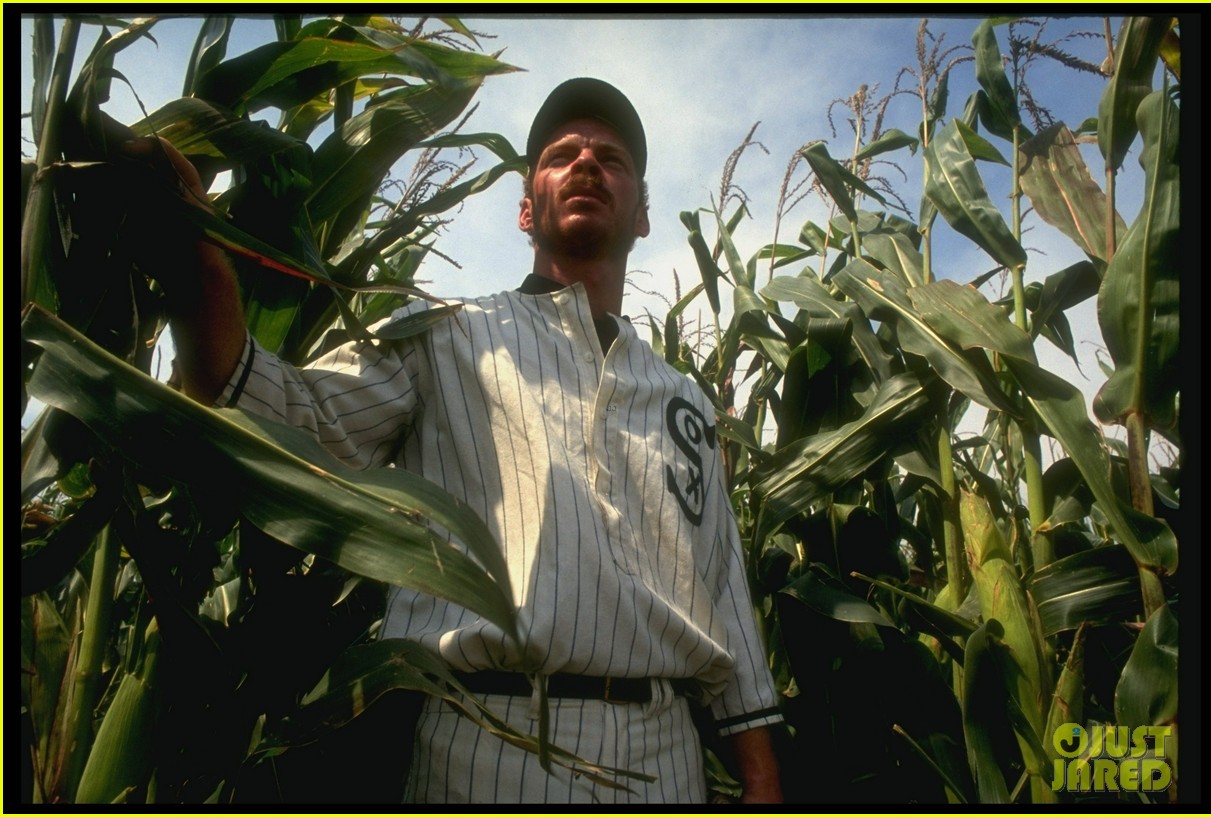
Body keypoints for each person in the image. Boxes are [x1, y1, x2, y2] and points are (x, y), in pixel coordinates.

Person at [149, 77, 784, 804]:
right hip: (485, 746)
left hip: (667, 759)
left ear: (642, 214)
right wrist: (194, 258)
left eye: (610, 158)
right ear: (524, 208)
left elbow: (728, 612)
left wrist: (762, 785)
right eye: (561, 154)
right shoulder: (444, 333)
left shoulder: (685, 402)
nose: (585, 163)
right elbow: (292, 419)